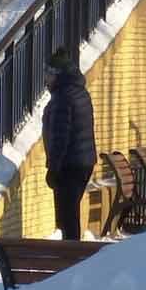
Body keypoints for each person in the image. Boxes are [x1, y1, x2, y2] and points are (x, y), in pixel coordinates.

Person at [42, 48, 96, 240]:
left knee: (67, 218)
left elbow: (60, 137)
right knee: (70, 214)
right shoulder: (79, 92)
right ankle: (71, 255)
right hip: (83, 161)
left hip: (69, 165)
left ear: (57, 75)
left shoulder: (63, 98)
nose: (46, 79)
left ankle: (70, 259)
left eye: (48, 74)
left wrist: (54, 168)